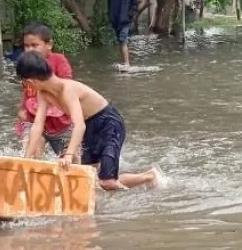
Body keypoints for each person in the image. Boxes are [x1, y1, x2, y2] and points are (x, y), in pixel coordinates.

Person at [16, 51, 158, 190]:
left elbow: (79, 126)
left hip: (108, 123)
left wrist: (69, 155)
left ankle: (148, 176)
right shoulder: (43, 94)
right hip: (90, 126)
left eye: (24, 83)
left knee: (107, 182)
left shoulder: (67, 89)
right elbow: (37, 126)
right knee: (90, 179)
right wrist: (27, 159)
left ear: (30, 81)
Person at [15, 23, 74, 158]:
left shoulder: (59, 60)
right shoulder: (26, 64)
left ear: (49, 44)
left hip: (60, 123)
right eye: (26, 46)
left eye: (35, 45)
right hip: (33, 118)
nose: (29, 50)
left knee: (70, 158)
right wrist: (22, 108)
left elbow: (67, 86)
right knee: (31, 151)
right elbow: (26, 90)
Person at [108, 0, 138, 68]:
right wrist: (110, 17)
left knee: (123, 39)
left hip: (125, 22)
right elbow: (109, 5)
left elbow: (135, 6)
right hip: (115, 22)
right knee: (120, 42)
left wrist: (129, 15)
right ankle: (124, 61)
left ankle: (127, 63)